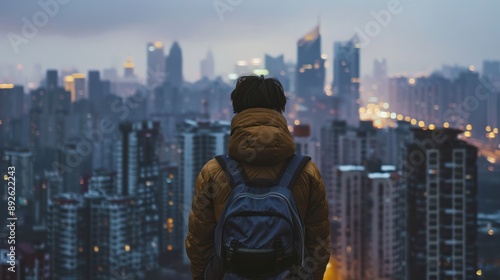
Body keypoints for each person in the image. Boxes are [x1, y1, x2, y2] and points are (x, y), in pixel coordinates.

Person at [185, 75, 330, 280]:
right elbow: (319, 245)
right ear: (280, 109)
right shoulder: (307, 172)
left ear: (237, 109)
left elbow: (198, 244)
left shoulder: (214, 172)